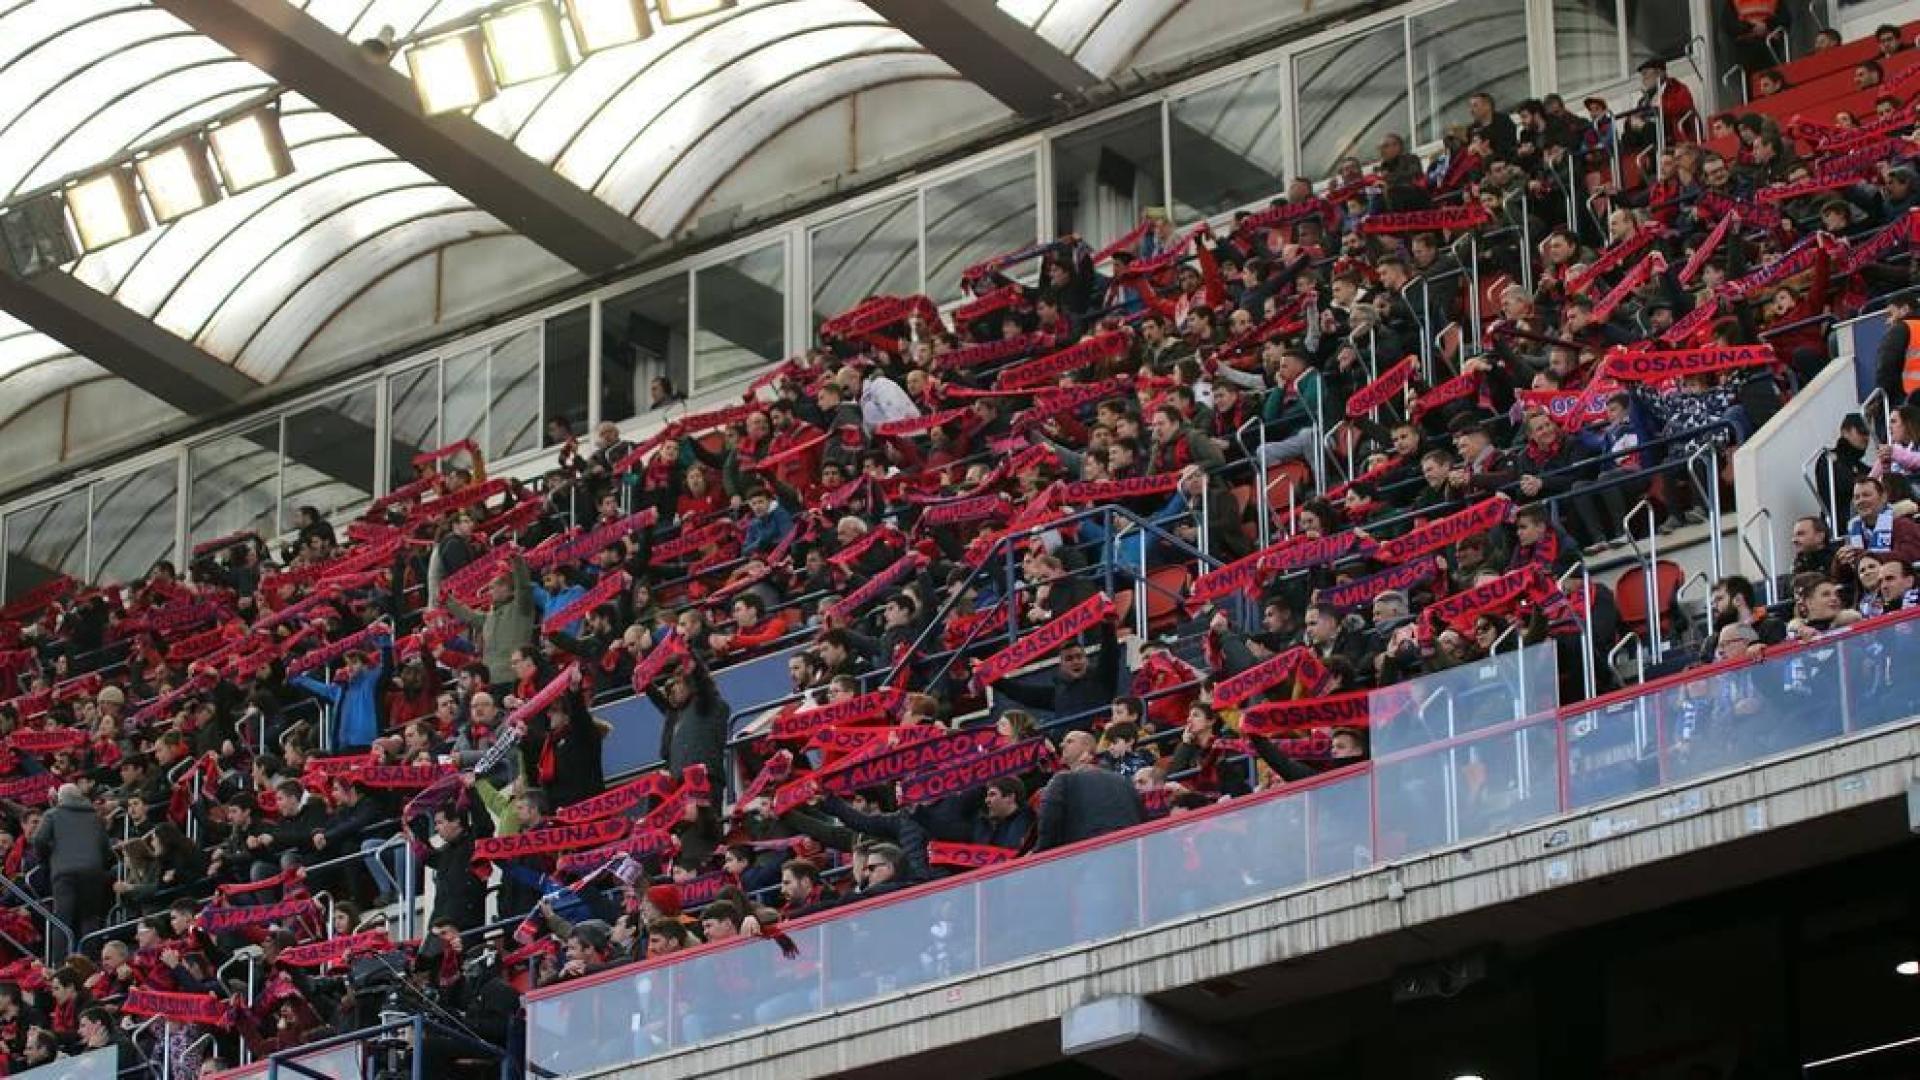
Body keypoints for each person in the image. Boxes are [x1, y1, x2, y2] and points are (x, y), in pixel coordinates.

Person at [1035, 730, 1145, 849]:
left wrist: (1038, 854)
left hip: (1084, 855)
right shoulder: (1123, 781)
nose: (1062, 745)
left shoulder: (1063, 780)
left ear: (1086, 747)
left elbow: (1048, 825)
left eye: (1069, 741)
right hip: (1126, 852)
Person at [33, 783, 112, 950]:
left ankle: (59, 965)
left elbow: (39, 840)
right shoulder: (95, 817)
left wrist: (47, 859)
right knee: (89, 918)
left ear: (60, 799)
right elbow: (106, 847)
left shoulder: (52, 815)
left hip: (63, 873)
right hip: (93, 872)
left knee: (62, 920)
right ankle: (89, 961)